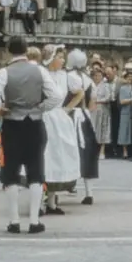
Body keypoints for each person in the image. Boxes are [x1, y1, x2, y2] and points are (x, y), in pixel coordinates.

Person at [0, 36, 63, 233]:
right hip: (35, 123)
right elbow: (57, 96)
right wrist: (41, 108)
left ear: (9, 51)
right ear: (26, 50)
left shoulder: (3, 73)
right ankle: (35, 221)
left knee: (11, 172)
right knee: (36, 171)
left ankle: (14, 221)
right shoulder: (40, 71)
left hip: (12, 123)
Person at [41, 45, 82, 214]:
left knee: (58, 157)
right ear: (51, 58)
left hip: (59, 119)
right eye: (59, 56)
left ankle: (52, 202)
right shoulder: (42, 74)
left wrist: (67, 109)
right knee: (45, 157)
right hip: (44, 117)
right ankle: (40, 202)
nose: (63, 60)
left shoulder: (66, 76)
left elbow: (80, 93)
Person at [65, 48, 99, 205]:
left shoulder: (68, 77)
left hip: (71, 116)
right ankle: (89, 192)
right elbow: (92, 104)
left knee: (68, 150)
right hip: (85, 117)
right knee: (87, 152)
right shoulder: (89, 80)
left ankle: (65, 185)